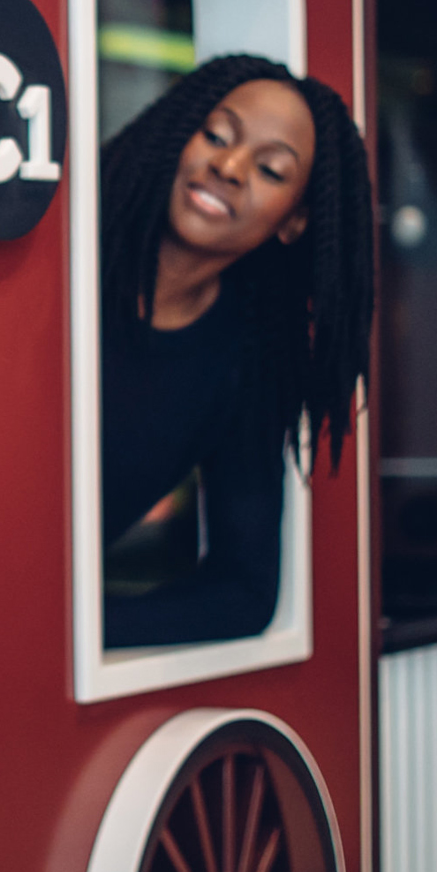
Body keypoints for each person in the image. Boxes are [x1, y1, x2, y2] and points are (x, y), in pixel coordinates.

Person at [99, 55, 374, 647]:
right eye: (216, 136)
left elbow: (244, 592)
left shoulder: (245, 361)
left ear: (295, 221)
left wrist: (71, 627)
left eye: (271, 170)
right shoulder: (56, 257)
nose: (227, 166)